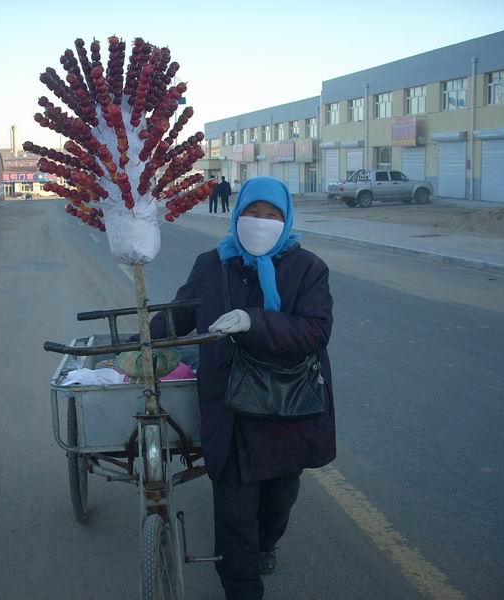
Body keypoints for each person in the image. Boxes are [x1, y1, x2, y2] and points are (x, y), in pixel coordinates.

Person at [149, 176, 335, 600]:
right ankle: (242, 587)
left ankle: (266, 544)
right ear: (236, 214)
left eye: (272, 215)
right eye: (252, 212)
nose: (260, 221)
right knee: (234, 515)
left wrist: (255, 321)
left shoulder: (308, 269)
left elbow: (315, 332)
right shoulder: (210, 265)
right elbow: (179, 316)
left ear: (286, 221)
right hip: (228, 408)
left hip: (286, 407)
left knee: (278, 499)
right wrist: (142, 340)